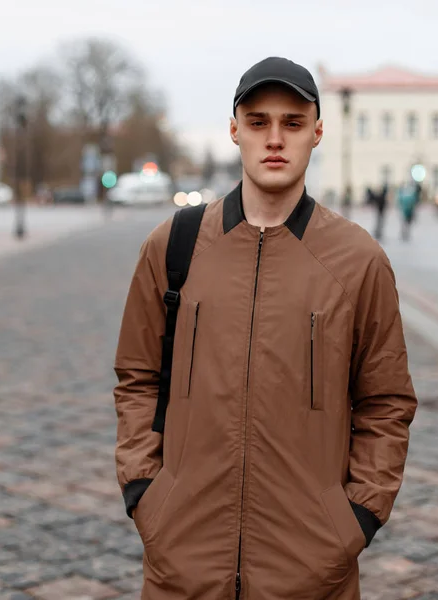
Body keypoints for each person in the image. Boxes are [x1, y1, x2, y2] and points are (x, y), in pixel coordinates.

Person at [113, 56, 417, 600]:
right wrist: (146, 490)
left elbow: (386, 402)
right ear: (234, 130)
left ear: (317, 132)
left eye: (292, 123)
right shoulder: (173, 247)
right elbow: (136, 375)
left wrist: (354, 518)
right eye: (258, 122)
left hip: (309, 570)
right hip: (182, 562)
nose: (274, 139)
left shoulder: (358, 261)